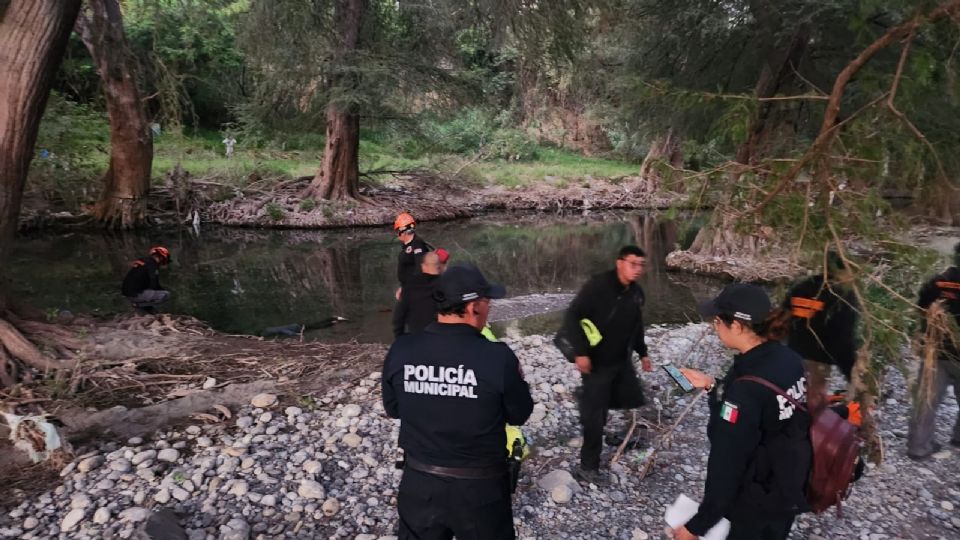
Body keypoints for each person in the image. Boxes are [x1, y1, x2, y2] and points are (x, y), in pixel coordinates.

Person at [382, 263, 533, 540]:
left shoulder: (402, 349)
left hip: (419, 485)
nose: (489, 309)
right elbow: (519, 414)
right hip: (481, 491)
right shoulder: (497, 357)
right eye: (488, 302)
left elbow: (393, 409)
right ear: (473, 307)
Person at [673, 283, 809, 540]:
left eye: (717, 321)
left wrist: (696, 527)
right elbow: (770, 407)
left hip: (755, 499)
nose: (715, 327)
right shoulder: (788, 358)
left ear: (735, 325)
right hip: (788, 481)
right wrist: (714, 385)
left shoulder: (744, 390)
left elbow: (726, 467)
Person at [563, 245, 652, 484]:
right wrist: (581, 353)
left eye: (641, 265)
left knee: (626, 397)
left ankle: (610, 435)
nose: (637, 270)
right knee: (593, 411)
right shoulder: (598, 286)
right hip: (595, 361)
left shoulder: (636, 292)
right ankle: (587, 466)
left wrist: (643, 353)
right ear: (619, 262)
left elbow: (637, 325)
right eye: (633, 264)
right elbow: (573, 315)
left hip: (620, 360)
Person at [783, 250, 859, 409]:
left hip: (790, 354)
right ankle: (807, 430)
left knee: (790, 395)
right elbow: (844, 339)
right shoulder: (843, 296)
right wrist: (852, 373)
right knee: (814, 399)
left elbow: (782, 320)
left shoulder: (801, 288)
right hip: (818, 359)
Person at [907, 241, 960, 460]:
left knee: (926, 401)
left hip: (936, 352)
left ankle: (918, 447)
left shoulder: (939, 280)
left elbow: (921, 308)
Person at [392, 251, 443, 337]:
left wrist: (399, 337)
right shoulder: (446, 285)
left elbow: (399, 316)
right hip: (441, 338)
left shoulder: (410, 285)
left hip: (417, 337)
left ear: (423, 266)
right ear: (439, 266)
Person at [394, 211, 433, 299]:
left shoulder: (417, 244)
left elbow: (420, 267)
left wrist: (411, 289)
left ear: (402, 231)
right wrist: (402, 286)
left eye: (397, 231)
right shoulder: (407, 247)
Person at [121, 246, 172, 313]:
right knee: (165, 294)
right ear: (161, 257)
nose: (163, 263)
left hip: (128, 293)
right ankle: (139, 305)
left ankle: (146, 309)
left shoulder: (143, 261)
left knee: (153, 309)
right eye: (164, 260)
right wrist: (162, 289)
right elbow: (154, 284)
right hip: (136, 294)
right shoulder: (152, 264)